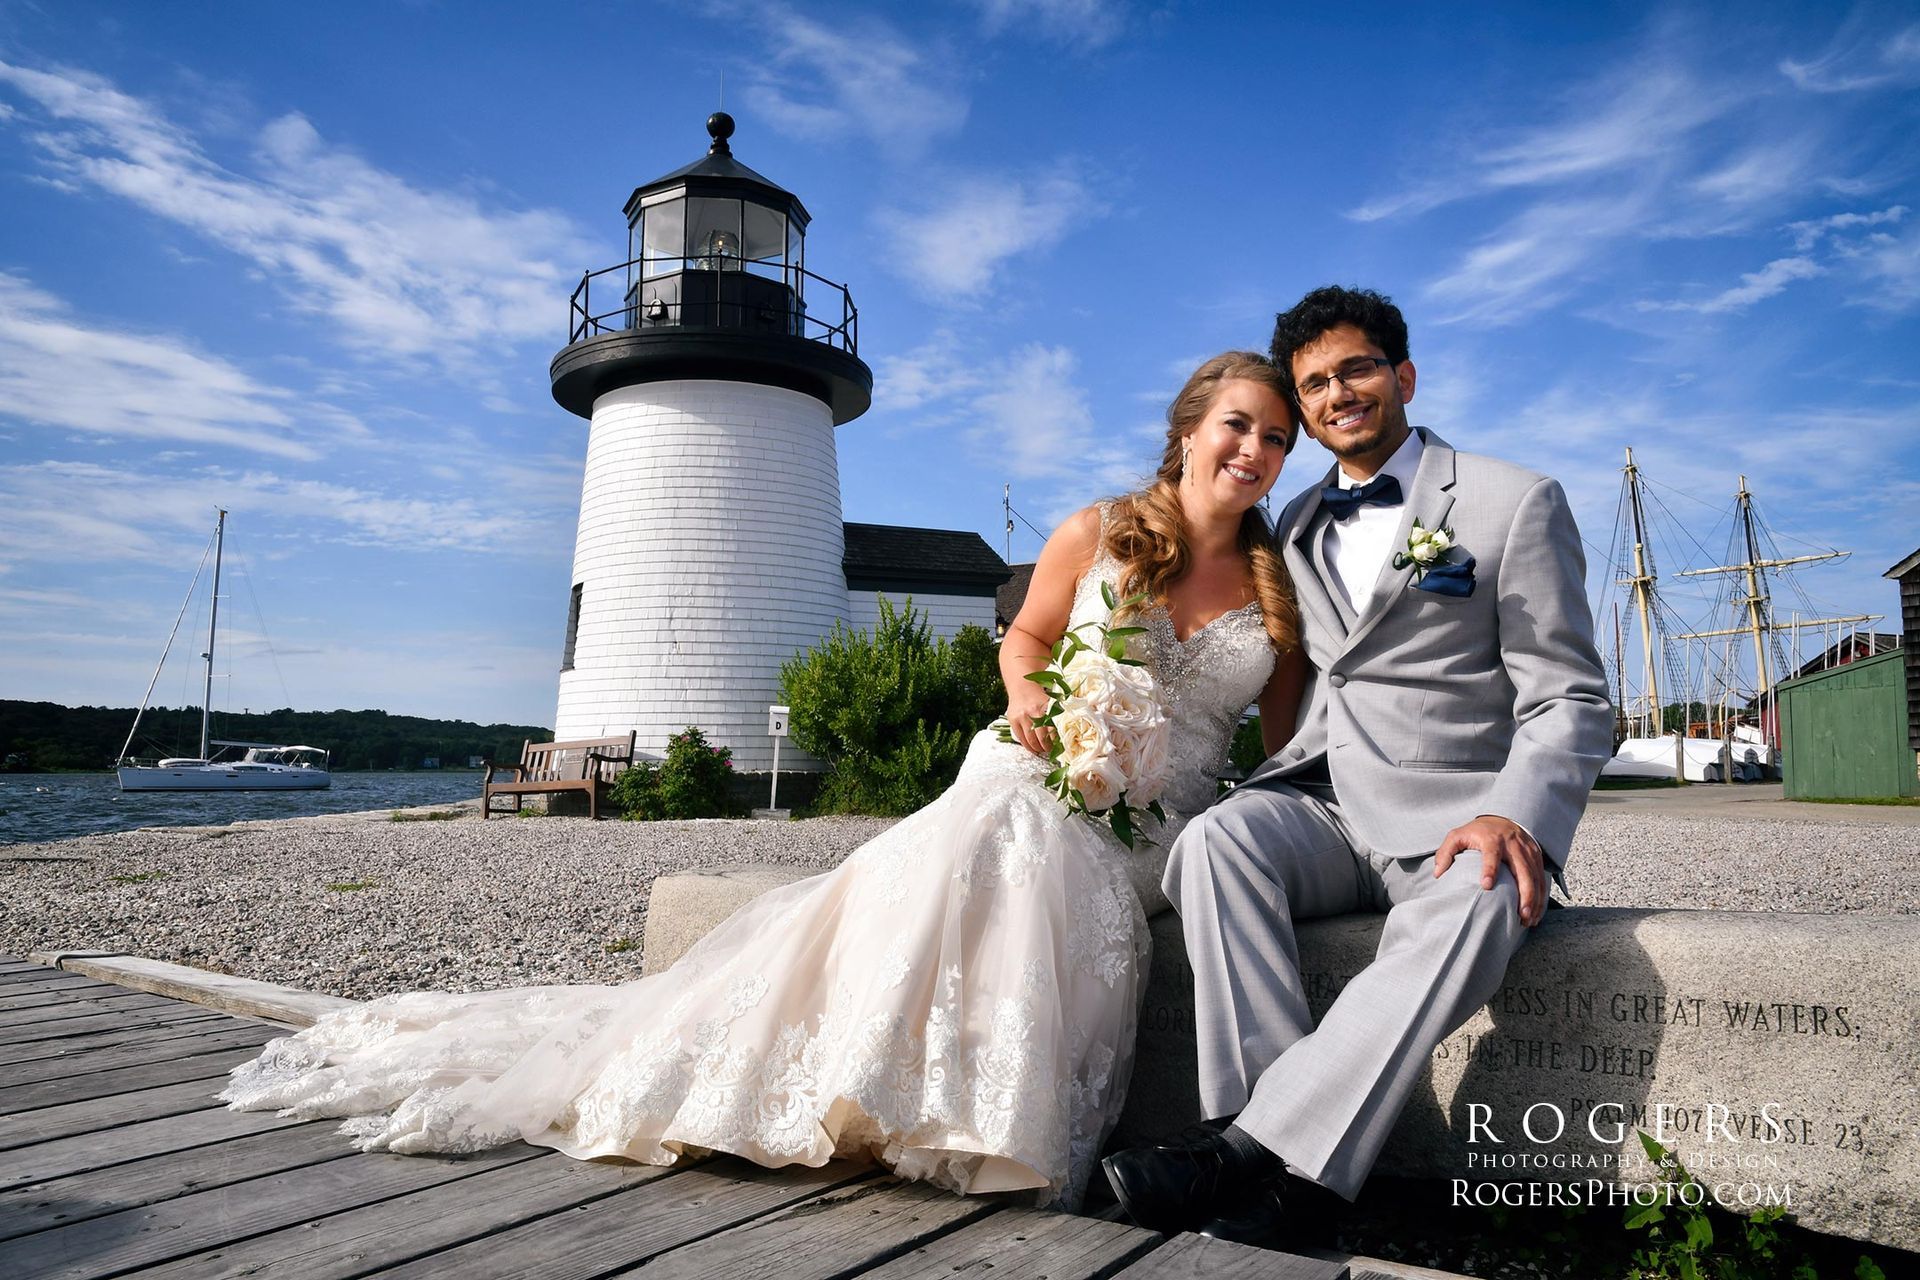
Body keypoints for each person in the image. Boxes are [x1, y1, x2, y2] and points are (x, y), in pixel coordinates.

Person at [220, 351, 1307, 1210]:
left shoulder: (1277, 585)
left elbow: (1290, 728)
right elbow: (1024, 636)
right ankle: (922, 1108)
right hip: (1038, 763)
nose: (1253, 449)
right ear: (1187, 430)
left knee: (1046, 855)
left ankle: (973, 1110)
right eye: (1236, 425)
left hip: (1164, 818)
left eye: (1275, 435)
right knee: (1011, 831)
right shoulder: (1100, 530)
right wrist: (1032, 703)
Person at [1102, 287, 1612, 1244]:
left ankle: (1251, 1161)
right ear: (1304, 409)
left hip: (1465, 815)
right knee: (1217, 841)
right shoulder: (1290, 523)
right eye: (1315, 384)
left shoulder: (1513, 500)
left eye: (1357, 369)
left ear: (1403, 375)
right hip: (1334, 803)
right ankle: (1277, 1157)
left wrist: (1517, 815)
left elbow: (1571, 695)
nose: (1339, 392)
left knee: (1484, 896)